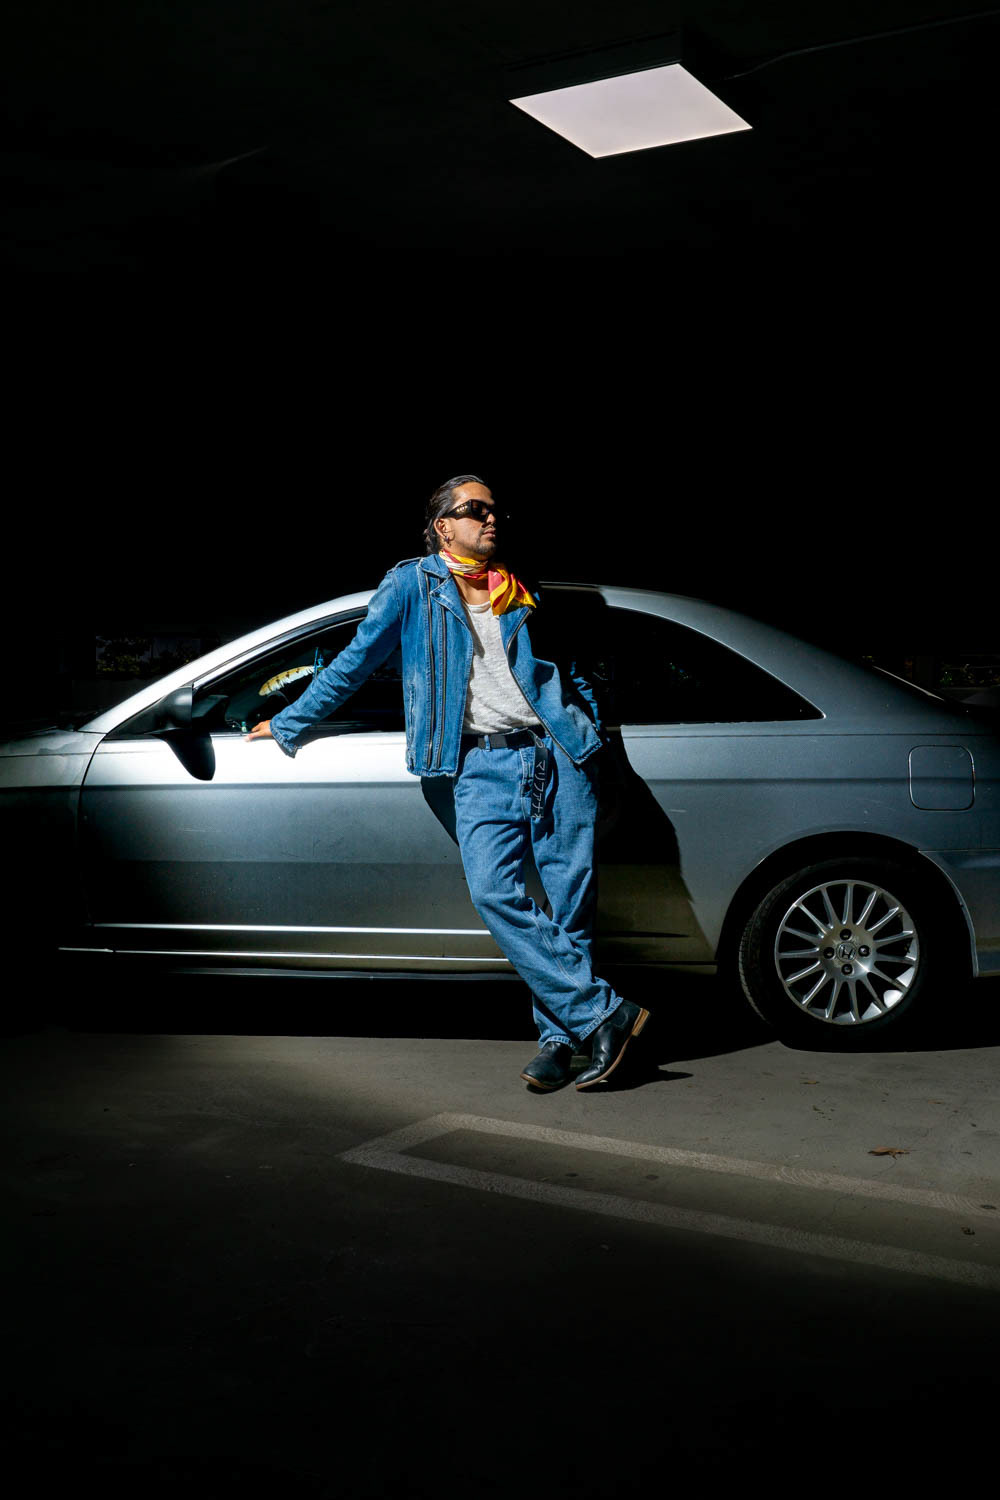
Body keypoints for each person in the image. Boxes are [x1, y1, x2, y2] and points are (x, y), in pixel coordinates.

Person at [245, 475, 648, 1091]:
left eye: (494, 510)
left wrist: (595, 747)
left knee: (570, 909)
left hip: (557, 755)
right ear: (443, 525)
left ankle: (562, 1040)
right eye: (475, 510)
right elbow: (355, 661)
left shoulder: (518, 584)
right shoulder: (412, 584)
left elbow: (564, 672)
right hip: (476, 765)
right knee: (495, 895)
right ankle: (604, 1013)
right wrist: (290, 721)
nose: (491, 519)